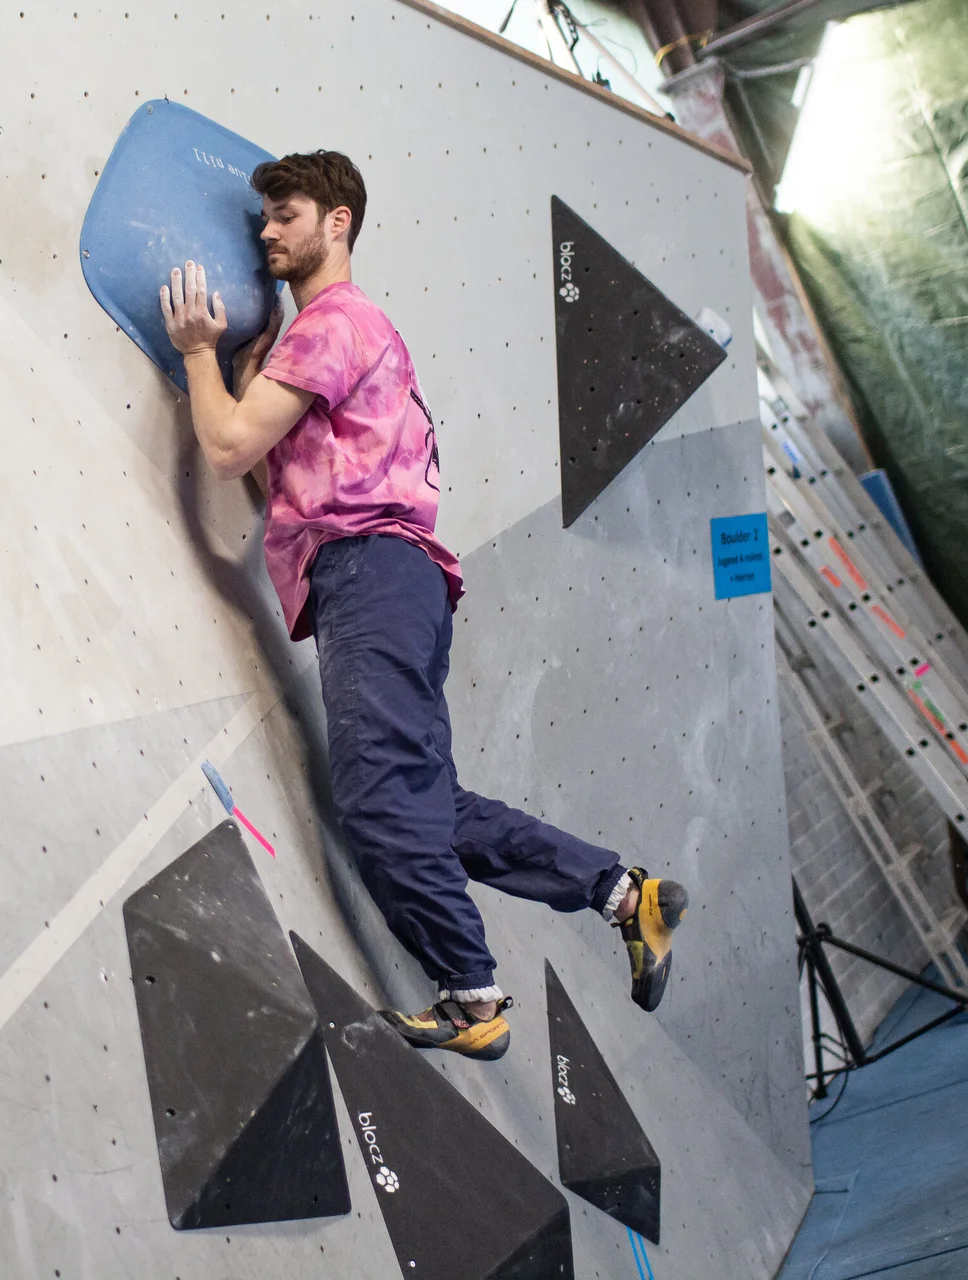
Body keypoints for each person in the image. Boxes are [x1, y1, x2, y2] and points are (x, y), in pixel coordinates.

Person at [156, 150, 686, 1062]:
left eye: (286, 214)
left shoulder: (332, 323)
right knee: (426, 801)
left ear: (339, 222)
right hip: (394, 580)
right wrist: (246, 378)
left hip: (368, 573)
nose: (268, 233)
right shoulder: (350, 335)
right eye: (265, 221)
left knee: (377, 803)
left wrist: (200, 357)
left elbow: (230, 449)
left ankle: (472, 996)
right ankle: (621, 894)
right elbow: (277, 474)